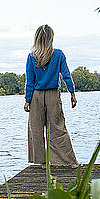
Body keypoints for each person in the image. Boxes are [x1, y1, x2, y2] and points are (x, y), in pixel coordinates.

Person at [24, 24, 79, 169]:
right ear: (51, 38)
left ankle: (43, 162)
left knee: (36, 128)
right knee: (57, 127)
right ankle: (69, 161)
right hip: (53, 95)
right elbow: (66, 75)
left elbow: (29, 82)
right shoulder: (59, 54)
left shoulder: (31, 57)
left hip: (36, 96)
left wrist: (27, 100)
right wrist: (72, 93)